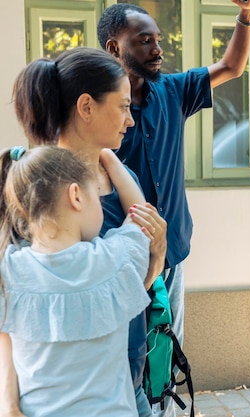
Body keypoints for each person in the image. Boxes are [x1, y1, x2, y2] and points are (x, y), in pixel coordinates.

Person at [96, 1, 250, 414]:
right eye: (144, 40)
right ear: (115, 48)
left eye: (158, 40)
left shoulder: (173, 90)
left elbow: (232, 66)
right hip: (122, 258)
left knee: (164, 354)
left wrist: (246, 15)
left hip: (172, 253)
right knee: (126, 363)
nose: (156, 48)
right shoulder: (100, 110)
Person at [1, 47, 167, 417]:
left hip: (125, 384)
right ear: (87, 107)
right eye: (123, 106)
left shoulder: (124, 180)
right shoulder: (35, 189)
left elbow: (140, 280)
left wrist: (156, 257)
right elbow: (10, 320)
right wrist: (8, 403)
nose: (131, 120)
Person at [0, 145, 152, 417]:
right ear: (76, 196)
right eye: (97, 195)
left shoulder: (8, 270)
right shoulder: (114, 259)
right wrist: (110, 159)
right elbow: (140, 215)